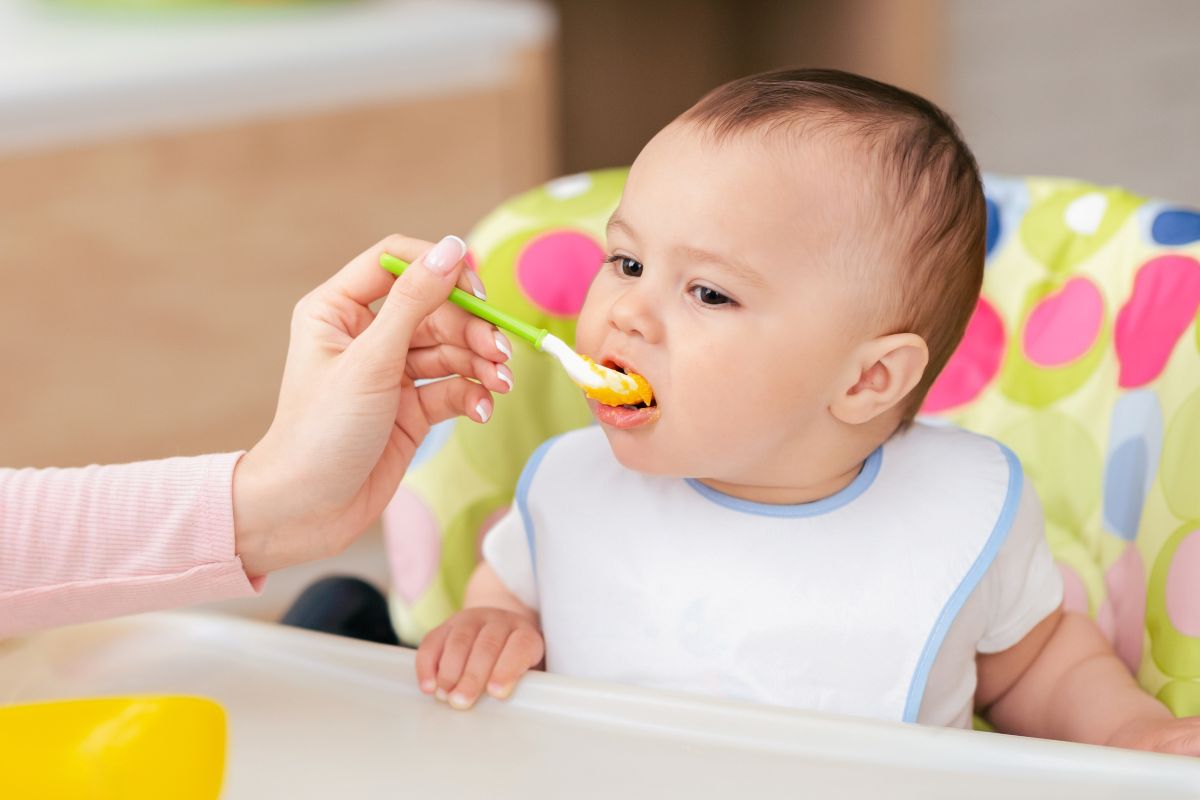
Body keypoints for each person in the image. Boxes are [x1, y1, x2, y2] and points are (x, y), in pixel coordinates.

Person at [414, 69, 1200, 756]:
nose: (626, 313)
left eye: (709, 293)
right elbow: (510, 595)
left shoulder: (958, 514)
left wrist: (1131, 733)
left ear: (868, 380)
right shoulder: (570, 488)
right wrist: (492, 629)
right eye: (627, 262)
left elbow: (1040, 663)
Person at [0, 234, 514, 638]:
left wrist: (273, 501)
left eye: (604, 257)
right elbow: (513, 585)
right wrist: (500, 622)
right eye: (601, 262)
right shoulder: (554, 486)